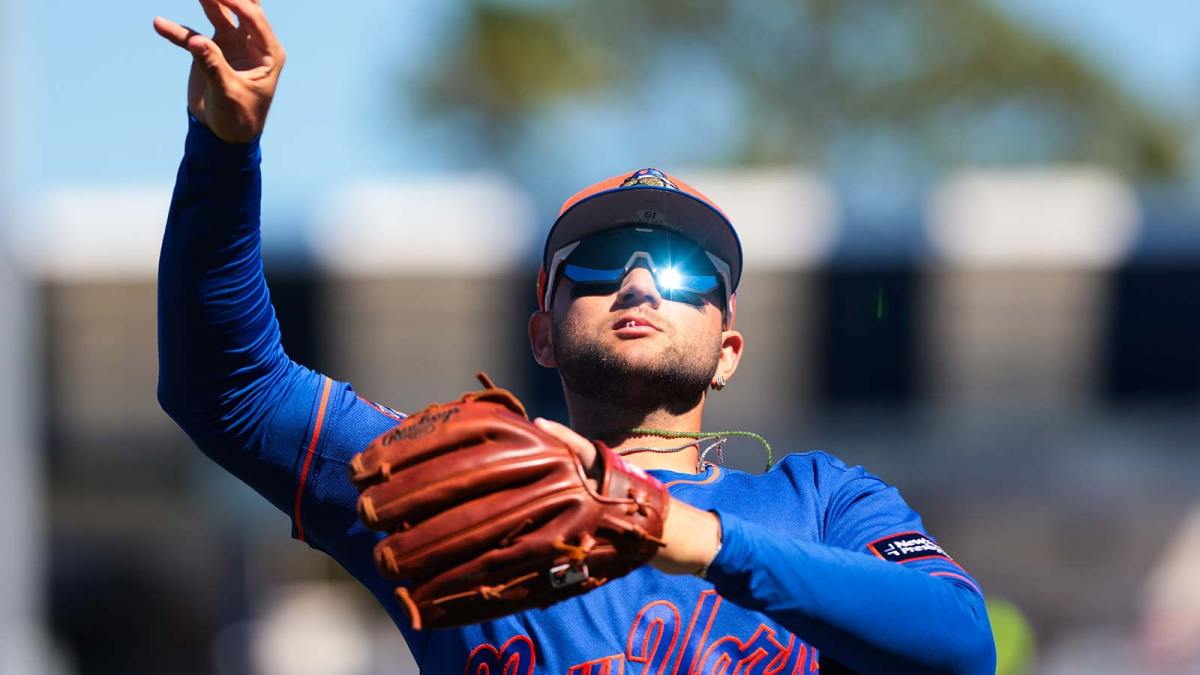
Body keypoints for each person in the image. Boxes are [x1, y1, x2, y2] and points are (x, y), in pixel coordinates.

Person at [153, 1, 996, 672]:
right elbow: (229, 388)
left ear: (729, 350)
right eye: (592, 264)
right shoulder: (448, 479)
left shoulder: (819, 502)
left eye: (681, 268)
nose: (635, 280)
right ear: (542, 334)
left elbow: (963, 641)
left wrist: (688, 534)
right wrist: (225, 156)